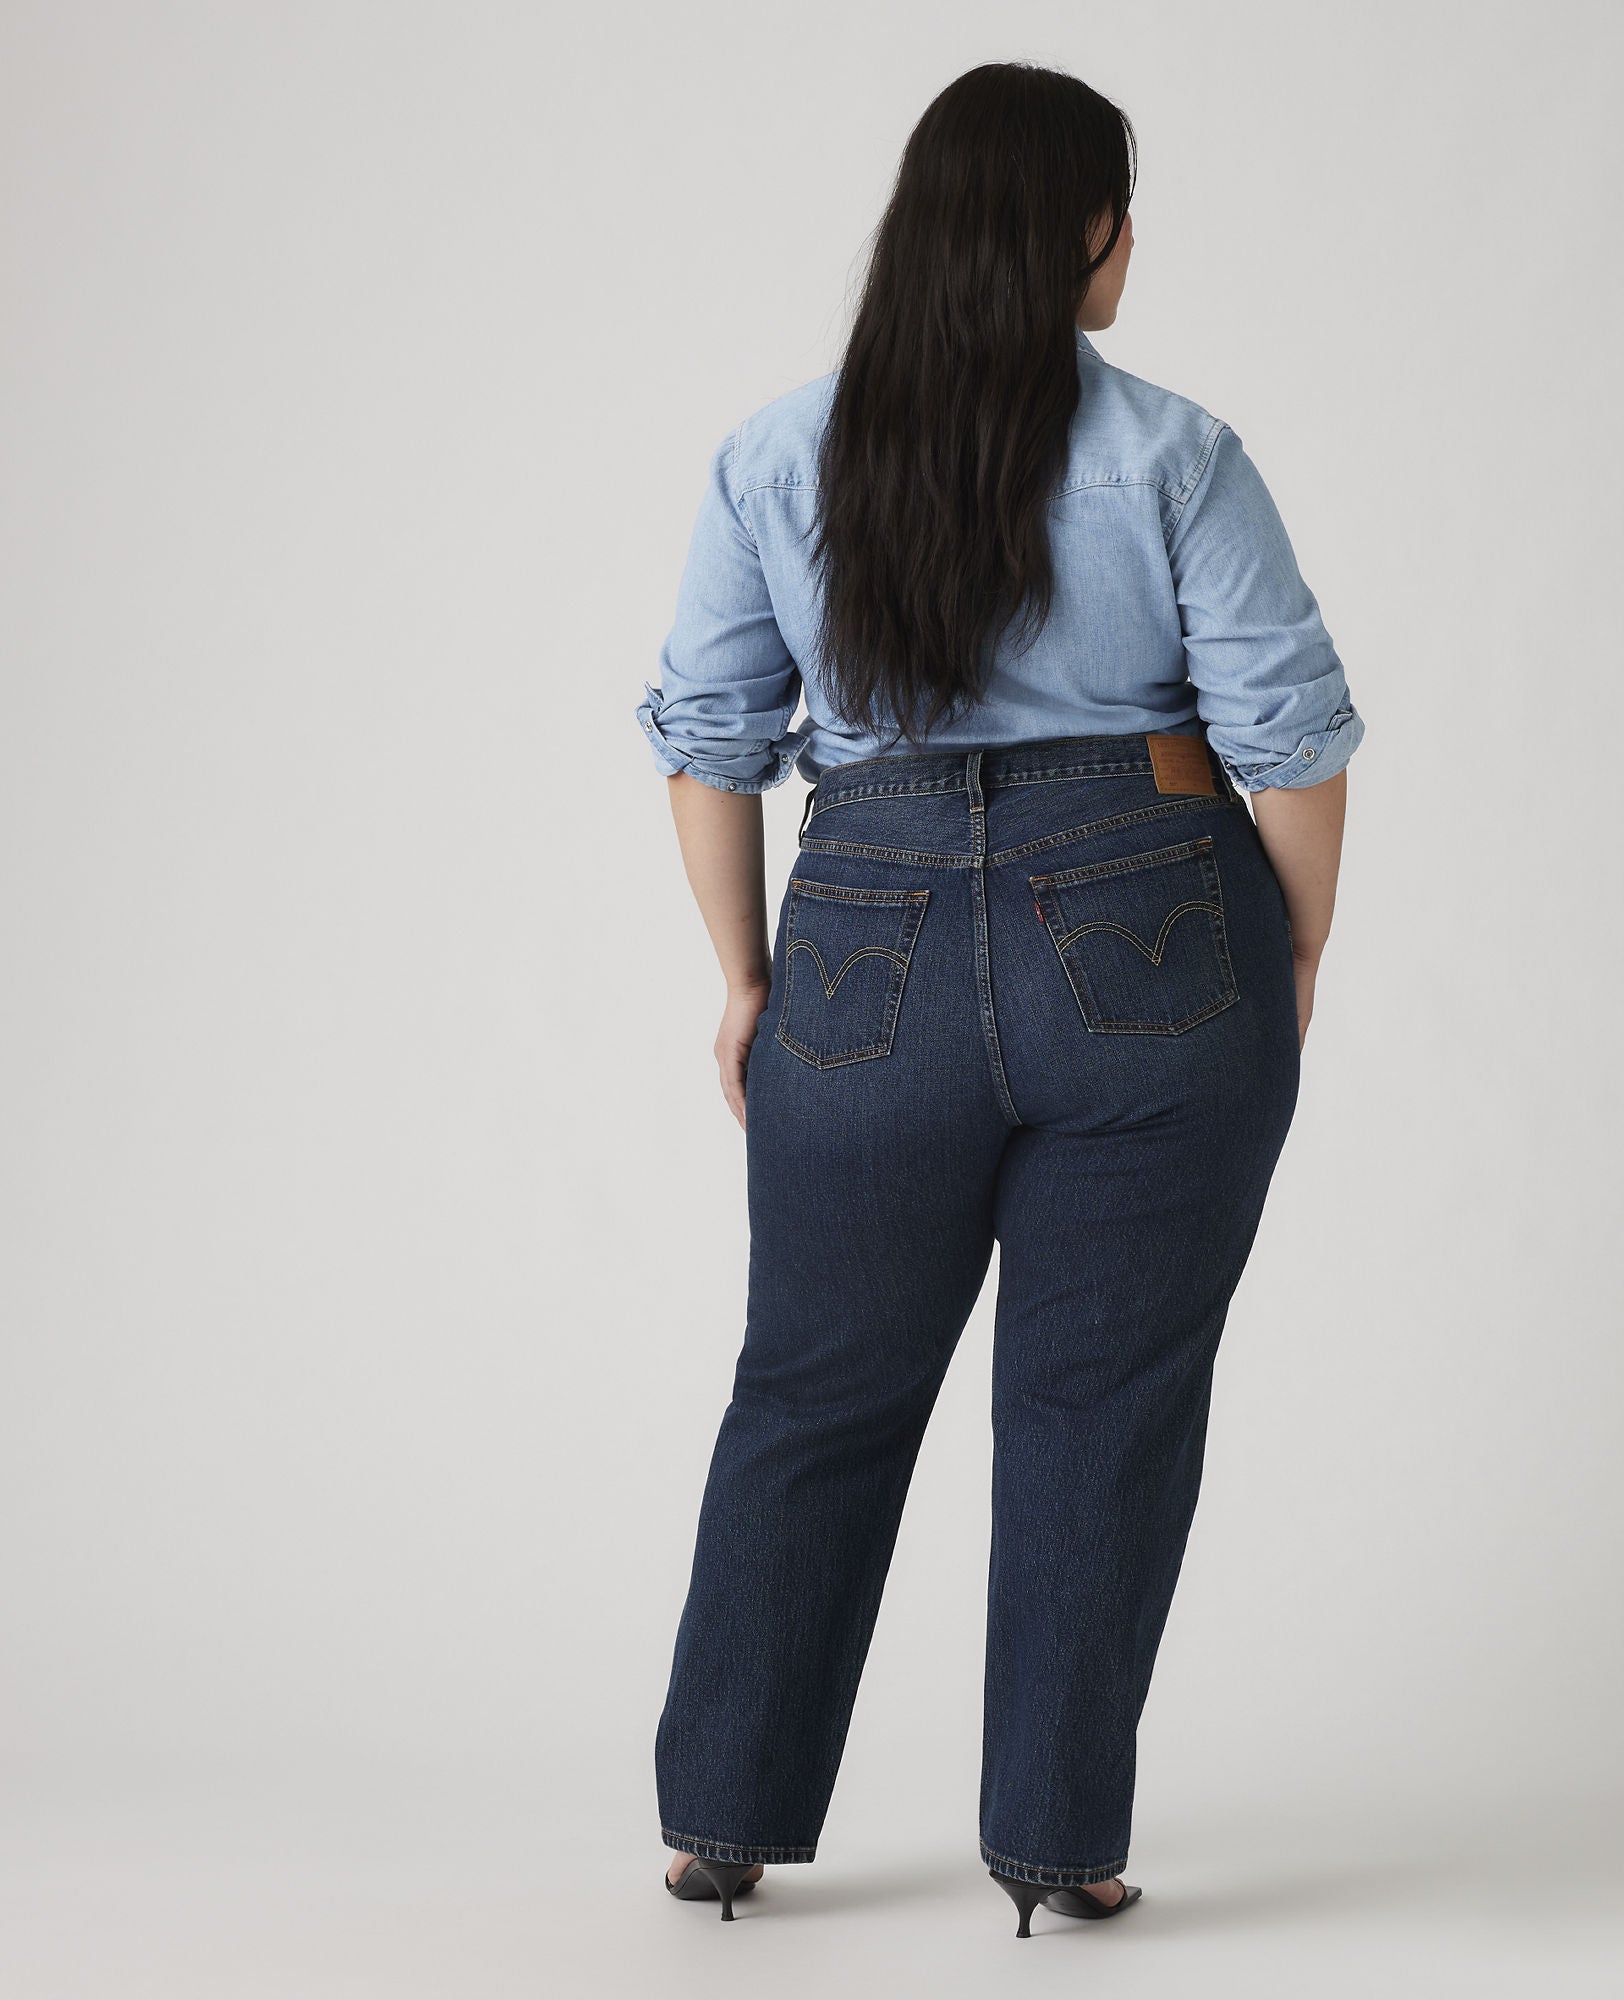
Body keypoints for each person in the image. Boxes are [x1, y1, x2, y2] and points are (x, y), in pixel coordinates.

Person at [634, 60, 1362, 1937]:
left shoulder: (777, 454)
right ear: (1087, 233)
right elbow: (1290, 739)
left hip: (858, 929)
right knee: (1101, 1401)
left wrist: (746, 979)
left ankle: (722, 1822)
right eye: (1127, 213)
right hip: (1156, 927)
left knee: (814, 1384)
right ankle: (1055, 1844)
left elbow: (710, 740)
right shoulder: (1176, 454)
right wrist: (1292, 951)